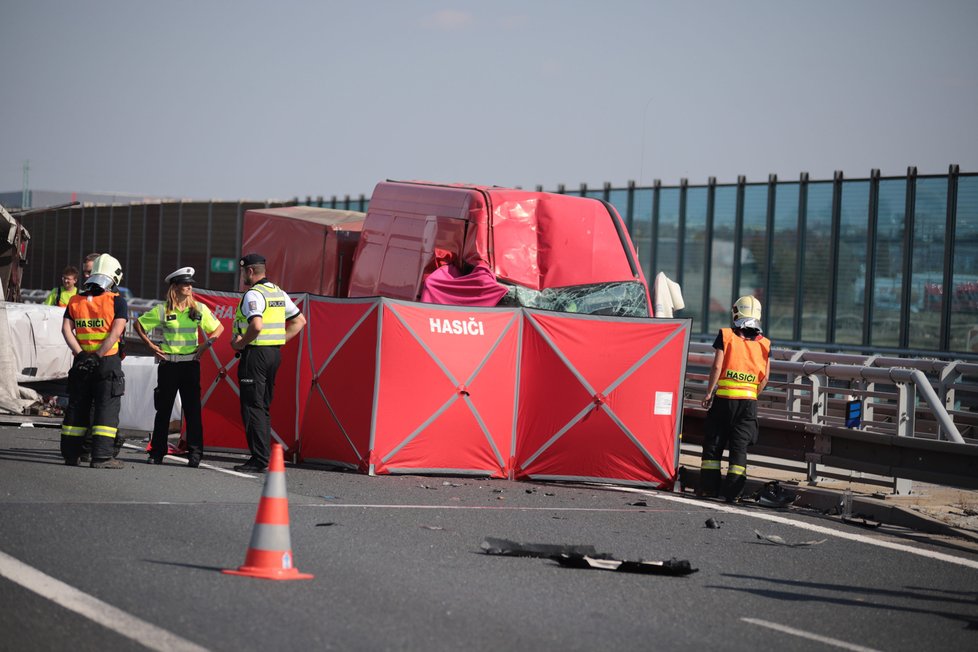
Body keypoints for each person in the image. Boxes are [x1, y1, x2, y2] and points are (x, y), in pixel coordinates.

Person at [134, 266, 224, 468]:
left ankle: (195, 454)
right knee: (163, 411)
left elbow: (218, 328)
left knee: (192, 411)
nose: (189, 287)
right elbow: (138, 324)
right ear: (174, 287)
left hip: (190, 366)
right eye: (185, 284)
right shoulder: (162, 310)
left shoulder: (198, 309)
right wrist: (150, 346)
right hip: (169, 366)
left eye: (191, 284)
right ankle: (157, 452)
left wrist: (205, 346)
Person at [230, 253, 306, 473]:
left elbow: (256, 325)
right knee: (261, 406)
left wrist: (241, 344)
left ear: (250, 271)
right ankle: (261, 456)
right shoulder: (277, 291)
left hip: (255, 355)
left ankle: (259, 459)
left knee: (253, 406)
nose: (243, 275)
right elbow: (299, 321)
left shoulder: (253, 294)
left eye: (244, 271)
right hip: (273, 354)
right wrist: (277, 340)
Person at [699, 295, 771, 502]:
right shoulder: (765, 344)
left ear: (736, 313)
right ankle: (733, 493)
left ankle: (708, 489)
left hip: (724, 401)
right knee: (739, 449)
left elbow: (717, 366)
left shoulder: (726, 335)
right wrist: (752, 393)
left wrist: (708, 392)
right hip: (748, 404)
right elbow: (765, 377)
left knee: (714, 443)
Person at [59, 254, 128, 468]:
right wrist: (97, 356)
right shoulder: (116, 301)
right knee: (106, 408)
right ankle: (102, 457)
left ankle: (71, 454)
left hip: (81, 362)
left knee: (77, 407)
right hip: (106, 362)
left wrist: (81, 354)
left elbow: (66, 330)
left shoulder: (75, 300)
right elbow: (116, 332)